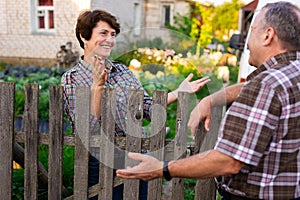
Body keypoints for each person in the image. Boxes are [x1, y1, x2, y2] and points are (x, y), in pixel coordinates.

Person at [116, 2, 300, 199]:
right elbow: (253, 87)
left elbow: (228, 161)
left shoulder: (265, 86)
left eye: (253, 29)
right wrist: (211, 100)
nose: (247, 40)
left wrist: (163, 168)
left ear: (267, 35)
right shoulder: (291, 72)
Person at [61, 9, 210, 200]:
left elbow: (147, 107)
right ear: (84, 36)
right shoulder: (72, 79)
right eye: (103, 33)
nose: (110, 40)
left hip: (138, 156)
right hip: (101, 163)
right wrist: (97, 86)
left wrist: (178, 92)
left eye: (113, 35)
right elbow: (87, 130)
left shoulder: (123, 72)